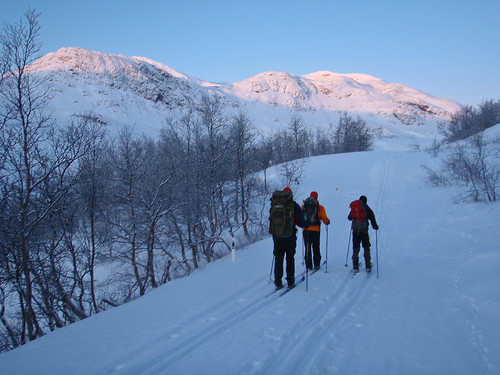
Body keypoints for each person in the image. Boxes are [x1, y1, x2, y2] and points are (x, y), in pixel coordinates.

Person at [272, 187, 307, 290]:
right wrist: (306, 225)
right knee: (290, 259)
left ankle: (278, 282)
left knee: (278, 259)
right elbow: (300, 222)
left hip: (277, 237)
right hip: (290, 237)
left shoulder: (275, 204)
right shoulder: (294, 206)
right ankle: (290, 281)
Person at [348, 195, 379, 272]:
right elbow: (372, 217)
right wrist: (375, 226)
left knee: (356, 247)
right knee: (366, 247)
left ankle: (355, 266)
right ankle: (368, 265)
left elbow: (349, 217)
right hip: (364, 230)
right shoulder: (366, 208)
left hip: (355, 230)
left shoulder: (355, 208)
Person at [302, 191, 330, 270]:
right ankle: (316, 264)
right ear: (317, 197)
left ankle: (308, 265)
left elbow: (300, 216)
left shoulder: (304, 206)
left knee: (307, 247)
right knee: (316, 246)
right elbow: (325, 219)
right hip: (316, 230)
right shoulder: (320, 207)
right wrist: (327, 222)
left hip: (306, 230)